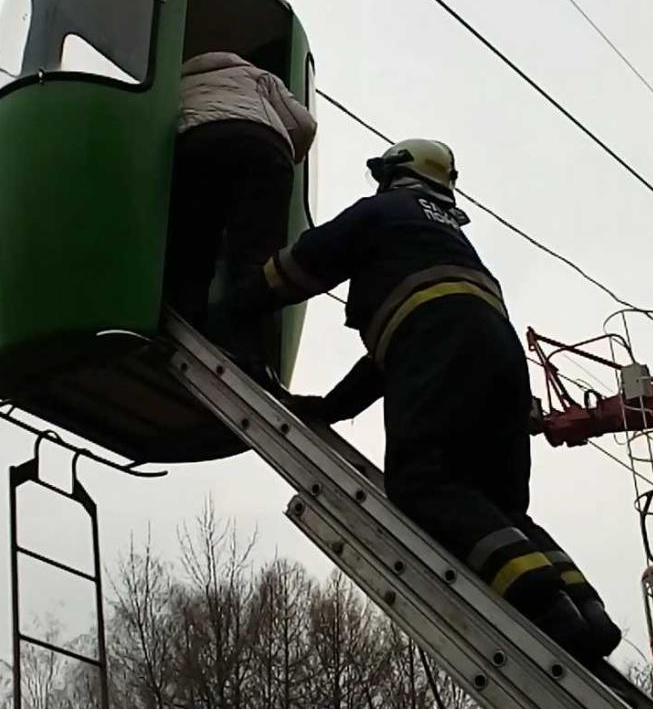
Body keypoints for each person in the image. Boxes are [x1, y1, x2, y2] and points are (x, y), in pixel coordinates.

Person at [230, 138, 621, 661]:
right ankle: (588, 612)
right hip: (498, 358)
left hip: (439, 341)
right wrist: (332, 407)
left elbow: (304, 264)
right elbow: (397, 352)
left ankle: (545, 608)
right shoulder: (448, 238)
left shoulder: (385, 210)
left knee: (422, 483)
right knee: (496, 505)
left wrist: (236, 303)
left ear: (397, 173)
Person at [164, 51, 317, 378]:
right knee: (254, 256)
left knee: (195, 245)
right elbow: (303, 123)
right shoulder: (259, 76)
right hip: (262, 146)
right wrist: (293, 152)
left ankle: (185, 323)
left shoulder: (176, 80)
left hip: (198, 142)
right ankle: (247, 348)